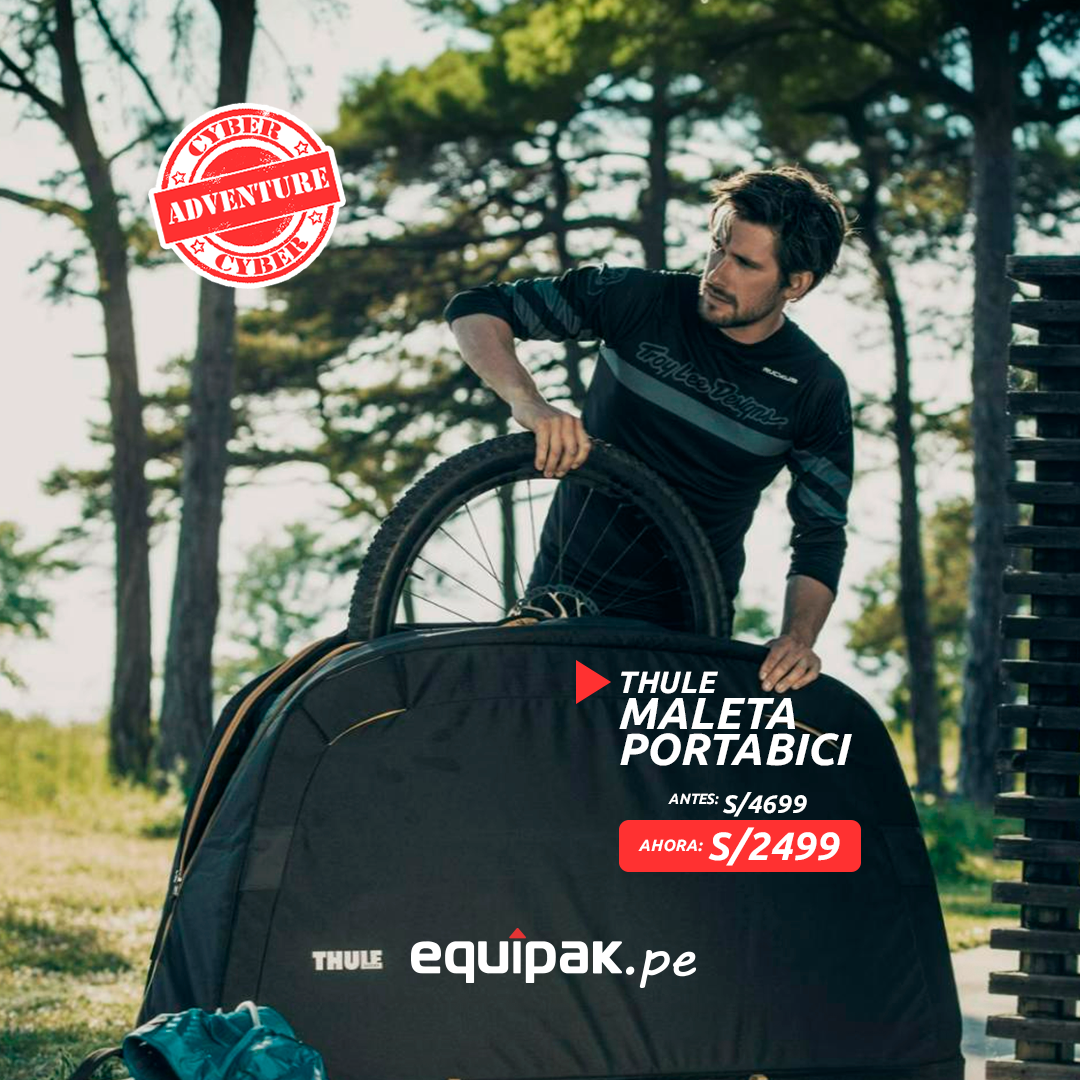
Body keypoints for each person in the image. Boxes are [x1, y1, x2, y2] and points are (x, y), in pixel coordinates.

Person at [444, 165, 853, 694]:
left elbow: (820, 533)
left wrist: (797, 638)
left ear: (795, 284)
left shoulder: (815, 388)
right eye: (718, 248)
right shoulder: (639, 300)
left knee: (630, 751)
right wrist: (529, 401)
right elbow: (476, 309)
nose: (717, 273)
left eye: (745, 263)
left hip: (685, 627)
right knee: (530, 733)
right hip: (563, 601)